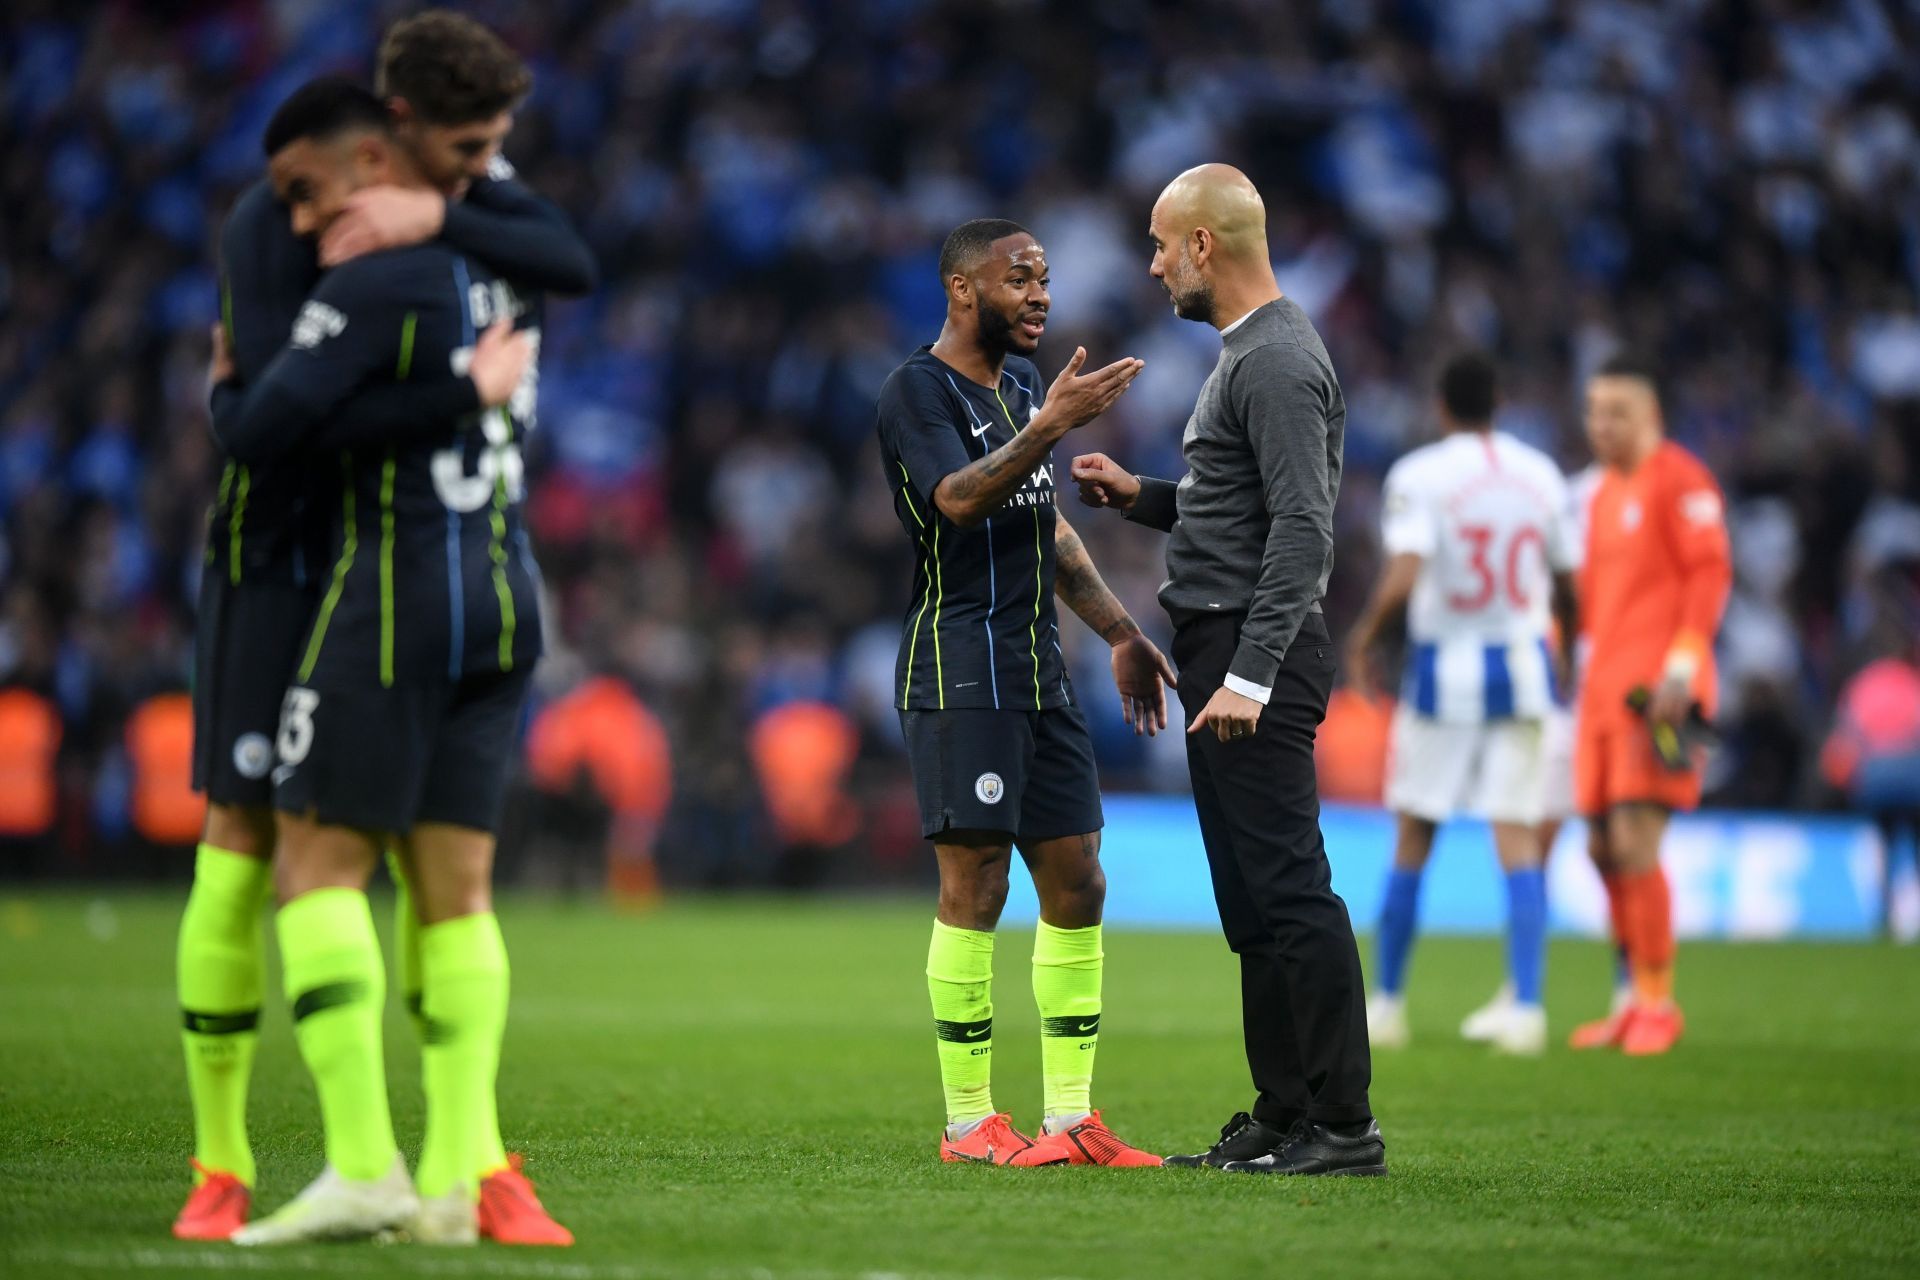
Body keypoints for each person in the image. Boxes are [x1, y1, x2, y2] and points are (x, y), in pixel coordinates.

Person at [174, 10, 592, 1245]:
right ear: (393, 132)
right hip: (286, 560)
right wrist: (448, 388)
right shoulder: (279, 219)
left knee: (433, 865)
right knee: (248, 836)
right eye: (463, 154)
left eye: (487, 156)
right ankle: (221, 1156)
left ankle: (464, 1161)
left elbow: (568, 260)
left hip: (397, 561)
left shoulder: (462, 193)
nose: (481, 170)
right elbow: (268, 427)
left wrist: (443, 216)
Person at [1071, 164, 1382, 1176]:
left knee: (1290, 887)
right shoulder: (1251, 355)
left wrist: (1248, 672)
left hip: (1259, 650)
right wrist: (1143, 498)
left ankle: (1343, 1124)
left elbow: (1303, 525)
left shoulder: (1280, 358)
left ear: (1206, 243)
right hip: (1226, 644)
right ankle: (1284, 1110)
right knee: (1253, 900)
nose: (1154, 264)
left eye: (1163, 243)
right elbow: (1240, 505)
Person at [877, 217, 1172, 1168]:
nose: (1041, 293)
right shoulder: (916, 391)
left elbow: (1046, 532)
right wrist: (1050, 425)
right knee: (977, 885)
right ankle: (968, 1124)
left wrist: (1122, 631)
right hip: (961, 667)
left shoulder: (1017, 390)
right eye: (1020, 278)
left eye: (1045, 277)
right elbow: (958, 500)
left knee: (1079, 879)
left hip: (1039, 670)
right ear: (964, 288)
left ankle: (1071, 1121)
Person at [1343, 352, 1579, 1057]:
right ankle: (1529, 1007)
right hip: (1523, 669)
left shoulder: (1420, 475)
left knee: (1415, 833)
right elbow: (1567, 582)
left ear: (1442, 406)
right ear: (1499, 402)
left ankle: (1386, 1005)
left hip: (1444, 672)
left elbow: (1406, 572)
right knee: (1517, 835)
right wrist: (1573, 643)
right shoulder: (1539, 474)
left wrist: (1364, 638)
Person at [1568, 354, 1732, 1056]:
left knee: (1637, 841)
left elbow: (1709, 572)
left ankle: (1660, 1003)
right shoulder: (1602, 495)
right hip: (1601, 694)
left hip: (1657, 695)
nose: (1602, 426)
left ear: (1652, 416)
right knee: (1604, 848)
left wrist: (1684, 668)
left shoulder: (1682, 479)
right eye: (1595, 412)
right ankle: (1633, 998)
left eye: (1618, 413)